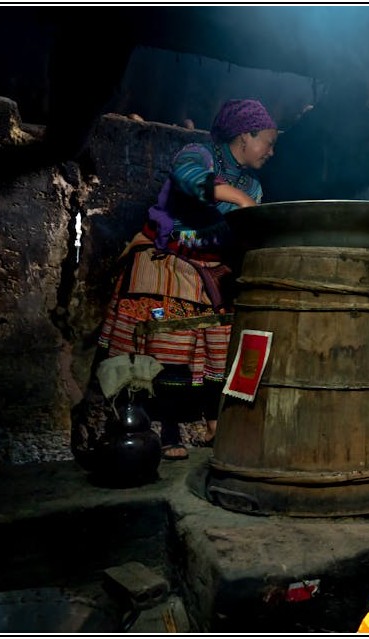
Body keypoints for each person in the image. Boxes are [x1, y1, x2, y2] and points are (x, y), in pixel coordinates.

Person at [95, 98, 279, 460]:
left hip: (211, 265)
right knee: (170, 340)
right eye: (268, 142)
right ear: (245, 136)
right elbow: (189, 179)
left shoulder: (254, 186)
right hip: (169, 256)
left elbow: (240, 229)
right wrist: (238, 199)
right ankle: (166, 427)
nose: (272, 151)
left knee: (224, 339)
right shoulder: (200, 154)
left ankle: (214, 420)